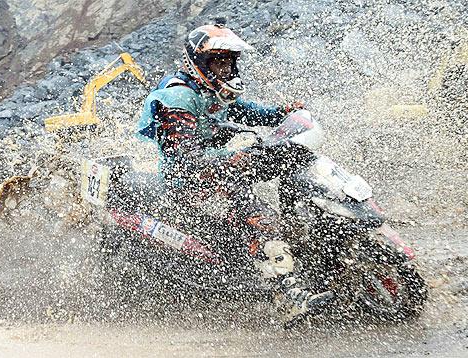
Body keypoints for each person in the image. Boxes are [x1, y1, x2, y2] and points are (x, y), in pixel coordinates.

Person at [137, 24, 333, 325]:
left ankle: (303, 248)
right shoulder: (178, 99)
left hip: (220, 171)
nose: (225, 68)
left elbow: (248, 111)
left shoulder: (209, 91)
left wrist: (284, 112)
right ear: (200, 62)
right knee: (257, 214)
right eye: (218, 61)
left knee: (284, 161)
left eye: (229, 61)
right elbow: (185, 160)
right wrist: (234, 156)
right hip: (188, 184)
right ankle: (289, 296)